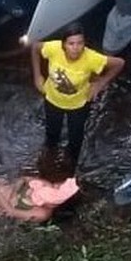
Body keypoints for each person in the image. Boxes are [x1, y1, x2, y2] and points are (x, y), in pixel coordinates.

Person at [31, 22, 124, 164]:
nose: (76, 48)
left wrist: (100, 83)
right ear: (63, 45)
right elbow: (35, 48)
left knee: (75, 137)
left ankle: (71, 161)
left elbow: (119, 63)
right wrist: (37, 75)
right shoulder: (54, 48)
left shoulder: (91, 58)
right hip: (52, 99)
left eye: (80, 43)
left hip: (78, 105)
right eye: (71, 44)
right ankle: (50, 152)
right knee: (52, 132)